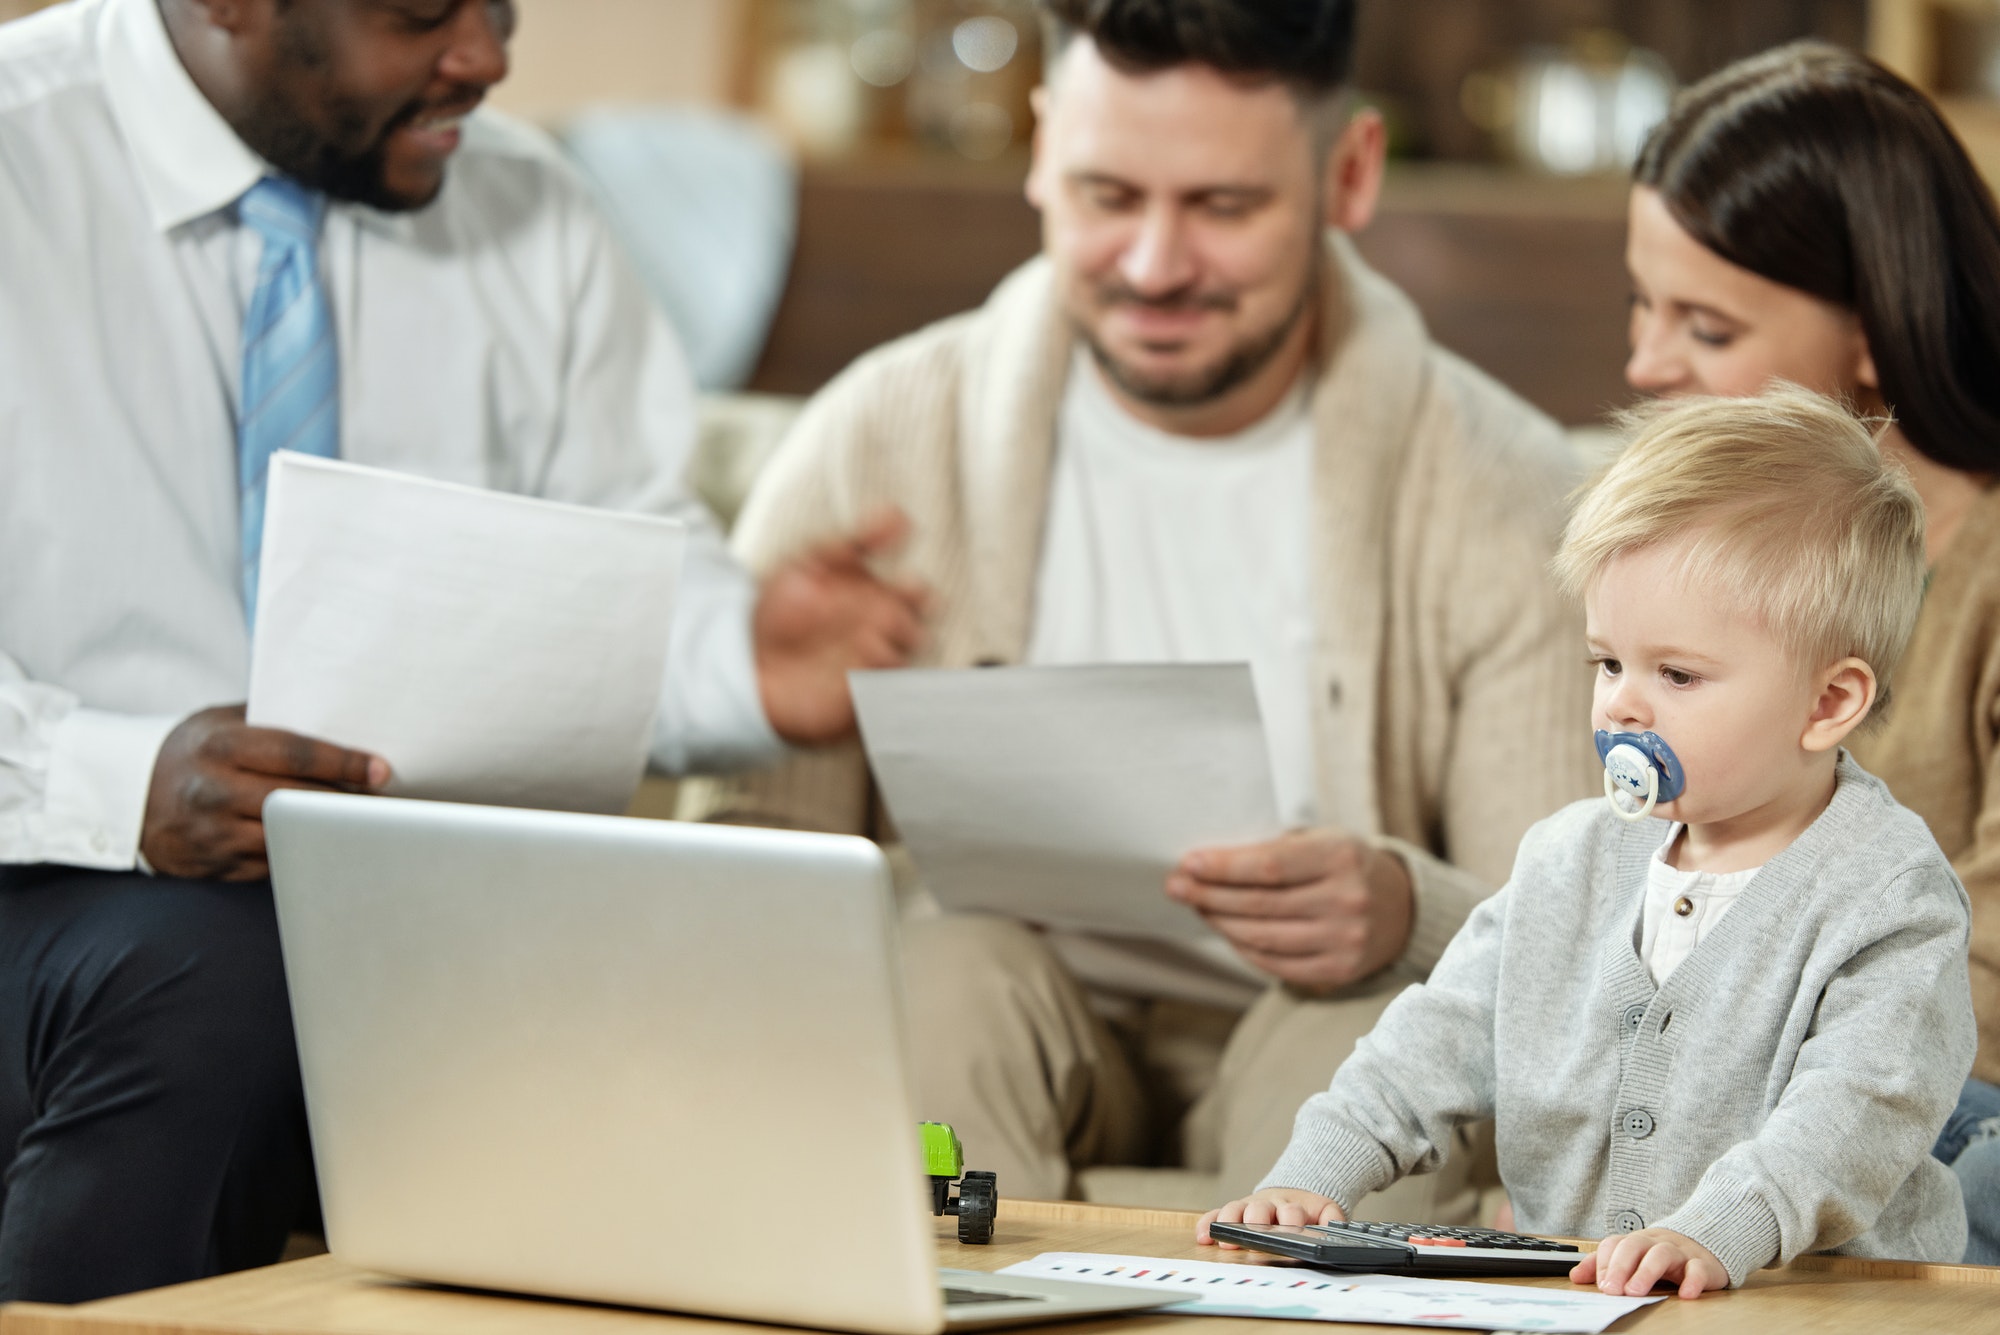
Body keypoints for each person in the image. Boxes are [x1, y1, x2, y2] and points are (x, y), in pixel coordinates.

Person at [0, 0, 923, 1302]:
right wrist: (124, 784)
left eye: (500, 8)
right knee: (228, 975)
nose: (487, 59)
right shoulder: (18, 157)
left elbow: (610, 588)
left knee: (716, 995)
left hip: (400, 901)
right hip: (46, 867)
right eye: (423, 15)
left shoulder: (530, 210)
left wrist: (747, 659)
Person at [687, 0, 1599, 1209]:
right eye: (1107, 195)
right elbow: (745, 887)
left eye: (1223, 208)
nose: (1155, 266)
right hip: (1004, 1011)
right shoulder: (880, 438)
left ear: (1349, 173)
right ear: (1039, 145)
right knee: (938, 978)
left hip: (1321, 1022)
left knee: (1374, 1046)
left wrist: (1402, 905)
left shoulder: (1507, 490)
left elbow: (1576, 941)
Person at [1198, 388, 1974, 1297]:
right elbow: (1429, 1042)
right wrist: (1317, 1171)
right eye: (1608, 661)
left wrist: (1720, 1229)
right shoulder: (1565, 860)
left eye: (1676, 673)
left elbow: (1859, 1109)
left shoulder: (1890, 893)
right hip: (1588, 1302)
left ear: (1828, 702)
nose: (1622, 703)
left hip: (1823, 1305)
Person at [1621, 41, 2000, 1264]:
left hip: (1930, 1092)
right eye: (1641, 302)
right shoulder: (1662, 565)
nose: (1642, 363)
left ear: (1876, 329)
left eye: (1705, 325)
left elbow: (1977, 984)